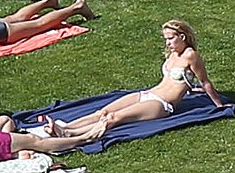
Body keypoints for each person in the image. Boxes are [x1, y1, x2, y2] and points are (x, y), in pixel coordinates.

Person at [21, 19, 213, 148]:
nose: (168, 43)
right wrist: (190, 88)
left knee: (113, 118)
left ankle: (71, 135)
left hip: (162, 105)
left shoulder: (191, 56)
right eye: (166, 39)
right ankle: (66, 127)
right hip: (148, 94)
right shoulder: (173, 54)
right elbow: (178, 81)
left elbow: (205, 82)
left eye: (171, 39)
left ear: (182, 36)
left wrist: (220, 104)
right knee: (101, 112)